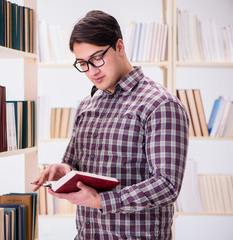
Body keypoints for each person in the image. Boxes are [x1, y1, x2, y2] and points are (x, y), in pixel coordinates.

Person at [32, 10, 189, 240]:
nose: (92, 70)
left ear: (120, 47)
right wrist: (64, 170)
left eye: (97, 58)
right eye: (83, 63)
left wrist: (101, 200)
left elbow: (167, 185)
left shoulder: (160, 104)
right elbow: (74, 165)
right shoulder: (87, 105)